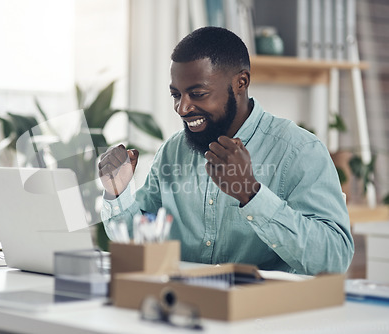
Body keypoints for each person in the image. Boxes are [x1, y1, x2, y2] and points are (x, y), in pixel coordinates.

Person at [98, 26, 353, 275]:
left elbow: (335, 259)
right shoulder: (172, 152)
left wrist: (252, 195)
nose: (182, 108)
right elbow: (143, 245)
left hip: (265, 312)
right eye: (176, 95)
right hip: (182, 306)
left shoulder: (300, 151)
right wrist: (118, 193)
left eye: (197, 94)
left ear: (241, 83)